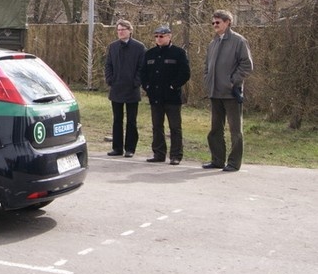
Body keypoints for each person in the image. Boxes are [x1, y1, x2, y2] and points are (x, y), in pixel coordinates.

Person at [202, 10, 254, 172]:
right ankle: (217, 160)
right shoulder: (213, 43)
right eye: (213, 23)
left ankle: (233, 163)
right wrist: (208, 80)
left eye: (218, 22)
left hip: (231, 94)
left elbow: (247, 65)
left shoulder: (239, 41)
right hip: (214, 93)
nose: (215, 25)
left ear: (227, 22)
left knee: (235, 130)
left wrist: (233, 82)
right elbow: (207, 67)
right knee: (215, 129)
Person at [141, 25, 191, 165]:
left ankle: (176, 155)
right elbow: (143, 73)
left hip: (172, 97)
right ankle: (158, 153)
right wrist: (147, 87)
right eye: (156, 36)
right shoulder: (150, 53)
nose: (158, 39)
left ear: (169, 36)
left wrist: (173, 86)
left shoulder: (178, 53)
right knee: (157, 126)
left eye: (161, 36)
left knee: (175, 127)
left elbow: (185, 73)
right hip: (155, 96)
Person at [104, 19, 146, 158]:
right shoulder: (113, 47)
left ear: (130, 31)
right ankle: (117, 148)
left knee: (131, 120)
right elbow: (108, 65)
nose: (120, 32)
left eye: (123, 29)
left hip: (132, 89)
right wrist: (110, 80)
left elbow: (142, 67)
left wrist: (136, 82)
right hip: (116, 88)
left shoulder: (139, 47)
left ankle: (130, 148)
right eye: (119, 30)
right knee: (117, 120)